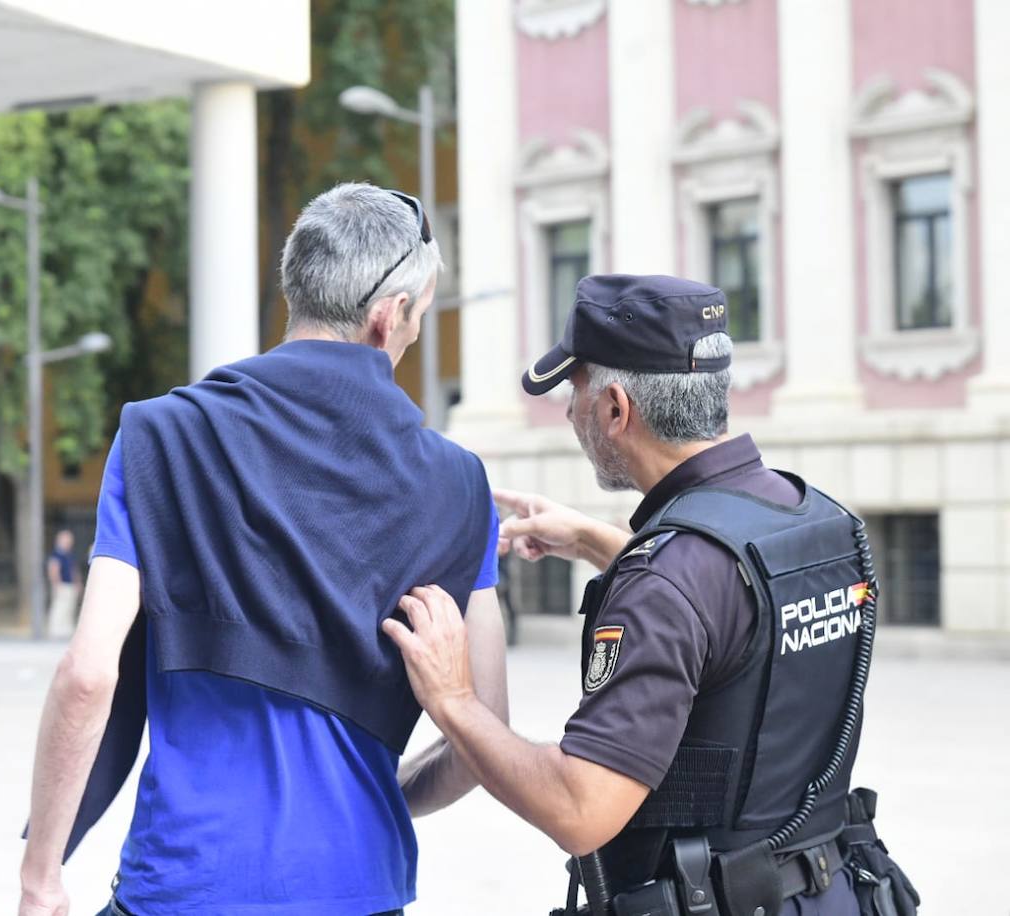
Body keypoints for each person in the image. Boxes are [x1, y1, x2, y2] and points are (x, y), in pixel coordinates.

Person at [18, 183, 509, 916]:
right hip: (357, 890)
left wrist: (41, 875)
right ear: (389, 316)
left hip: (184, 885)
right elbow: (485, 734)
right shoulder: (462, 487)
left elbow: (89, 674)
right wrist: (378, 798)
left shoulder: (160, 435)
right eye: (418, 317)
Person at [384, 276, 917, 916]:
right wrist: (593, 539)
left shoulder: (669, 581)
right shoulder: (815, 522)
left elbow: (580, 808)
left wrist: (455, 700)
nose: (568, 411)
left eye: (574, 390)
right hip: (830, 892)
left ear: (615, 408)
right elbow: (735, 623)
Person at [45, 530, 79, 639]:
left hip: (70, 585)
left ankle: (66, 630)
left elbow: (73, 570)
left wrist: (77, 583)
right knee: (59, 608)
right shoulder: (57, 554)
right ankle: (56, 630)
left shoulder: (68, 555)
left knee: (69, 608)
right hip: (62, 585)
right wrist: (56, 584)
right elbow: (53, 569)